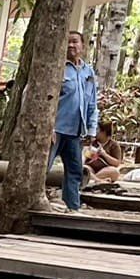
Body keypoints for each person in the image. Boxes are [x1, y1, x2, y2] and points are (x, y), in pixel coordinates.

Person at [49, 31, 99, 212]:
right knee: (42, 167)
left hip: (75, 132)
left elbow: (92, 103)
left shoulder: (88, 72)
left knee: (75, 171)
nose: (71, 45)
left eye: (75, 42)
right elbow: (43, 98)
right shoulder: (56, 67)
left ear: (82, 46)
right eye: (68, 42)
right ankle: (31, 202)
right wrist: (48, 127)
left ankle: (73, 208)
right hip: (55, 131)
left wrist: (91, 130)